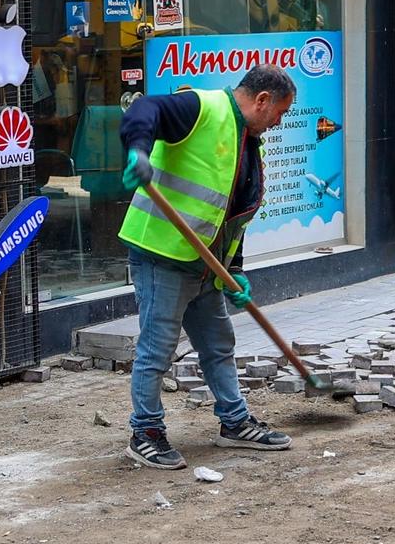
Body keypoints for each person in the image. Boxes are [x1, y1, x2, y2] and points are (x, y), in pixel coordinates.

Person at [119, 65, 298, 468]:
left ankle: (234, 423)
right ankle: (145, 432)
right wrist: (138, 151)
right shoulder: (202, 107)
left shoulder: (249, 142)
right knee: (157, 348)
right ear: (262, 100)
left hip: (204, 264)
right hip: (162, 253)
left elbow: (232, 212)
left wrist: (234, 267)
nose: (278, 123)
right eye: (279, 114)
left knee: (219, 344)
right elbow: (143, 110)